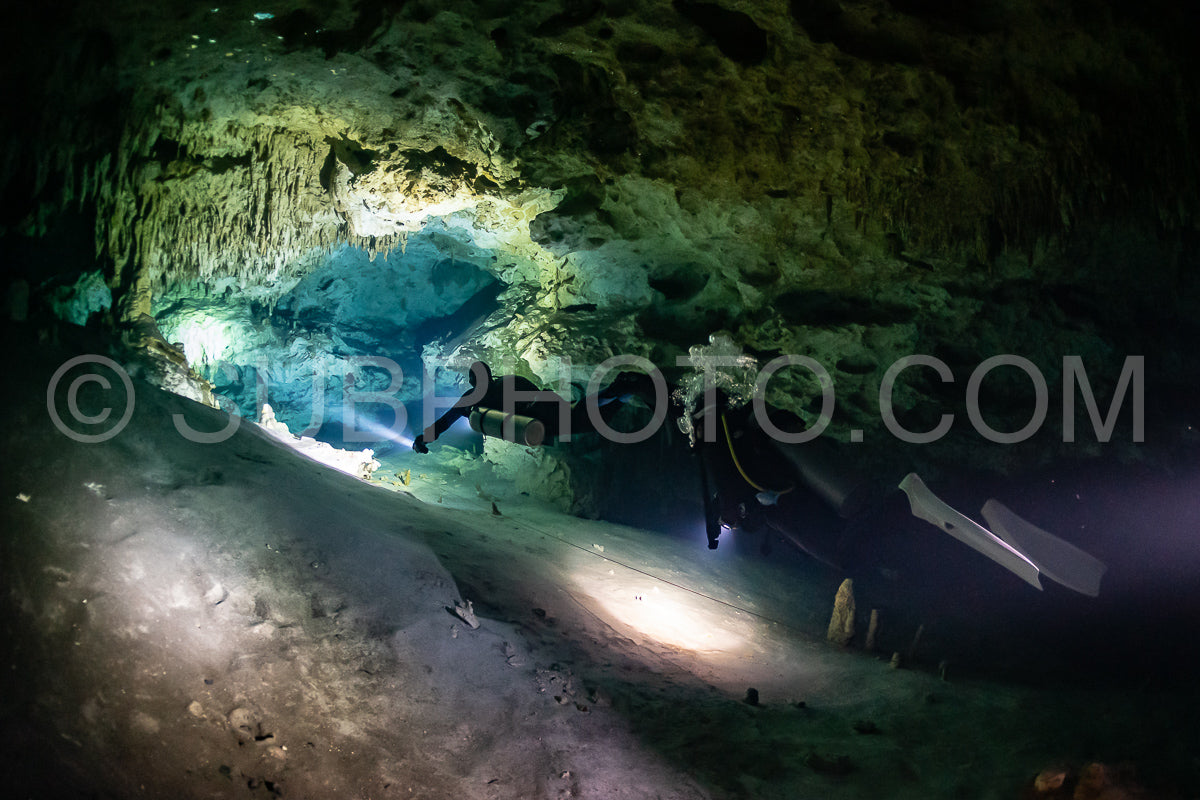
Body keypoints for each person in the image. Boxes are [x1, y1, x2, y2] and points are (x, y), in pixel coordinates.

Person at [412, 361, 653, 453]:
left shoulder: (471, 398)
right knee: (585, 416)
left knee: (588, 419)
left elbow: (445, 422)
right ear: (490, 375)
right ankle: (621, 391)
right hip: (545, 408)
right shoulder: (506, 381)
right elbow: (533, 390)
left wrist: (424, 438)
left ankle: (620, 388)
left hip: (540, 420)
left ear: (473, 381)